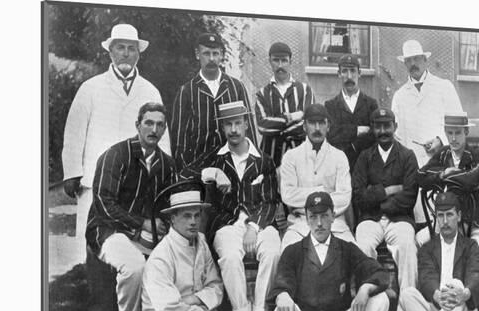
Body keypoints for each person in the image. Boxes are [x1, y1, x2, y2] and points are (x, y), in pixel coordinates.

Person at [141, 181, 283, 311]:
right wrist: (202, 309)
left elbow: (216, 287)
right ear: (172, 218)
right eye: (186, 216)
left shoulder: (200, 242)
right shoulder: (160, 258)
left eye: (196, 215)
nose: (193, 221)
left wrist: (194, 300)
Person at [63, 23, 168, 266]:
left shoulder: (149, 90)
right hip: (94, 180)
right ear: (110, 52)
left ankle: (128, 294)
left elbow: (163, 135)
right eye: (119, 47)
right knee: (91, 247)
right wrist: (72, 172)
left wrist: (162, 177)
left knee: (131, 246)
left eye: (131, 48)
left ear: (138, 53)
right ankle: (91, 292)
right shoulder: (90, 88)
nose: (125, 53)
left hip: (136, 182)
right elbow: (74, 132)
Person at [266, 192, 390, 311]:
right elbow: (282, 281)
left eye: (324, 215)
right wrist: (282, 295)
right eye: (313, 217)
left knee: (380, 299)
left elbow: (379, 273)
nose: (319, 223)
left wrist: (365, 289)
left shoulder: (346, 248)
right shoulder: (294, 251)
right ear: (306, 218)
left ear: (334, 216)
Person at [86, 103, 176, 311]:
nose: (154, 129)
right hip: (107, 230)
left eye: (159, 124)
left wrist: (162, 227)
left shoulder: (166, 163)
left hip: (145, 234)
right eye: (148, 123)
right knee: (135, 265)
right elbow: (104, 204)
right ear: (138, 125)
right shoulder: (116, 155)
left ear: (164, 128)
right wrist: (142, 223)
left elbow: (167, 204)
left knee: (171, 261)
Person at [189, 101, 281, 311]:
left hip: (261, 223)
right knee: (230, 257)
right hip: (226, 224)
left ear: (246, 124)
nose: (233, 130)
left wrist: (254, 227)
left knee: (272, 251)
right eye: (228, 124)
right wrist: (212, 172)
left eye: (238, 123)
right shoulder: (215, 158)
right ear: (222, 128)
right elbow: (184, 176)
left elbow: (270, 201)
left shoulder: (263, 161)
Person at [416, 112, 479, 311]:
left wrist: (444, 176)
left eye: (458, 133)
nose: (453, 138)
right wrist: (442, 174)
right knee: (421, 240)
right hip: (452, 220)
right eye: (449, 133)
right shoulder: (444, 155)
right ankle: (433, 290)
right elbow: (420, 177)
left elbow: (471, 180)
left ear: (466, 132)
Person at [352, 107, 419, 311]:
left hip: (399, 219)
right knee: (361, 246)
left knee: (406, 246)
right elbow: (359, 196)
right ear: (373, 129)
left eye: (386, 126)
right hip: (370, 220)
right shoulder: (365, 157)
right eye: (378, 126)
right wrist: (389, 190)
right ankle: (370, 307)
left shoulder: (407, 156)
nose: (383, 131)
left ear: (395, 127)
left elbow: (409, 195)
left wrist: (377, 199)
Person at [391, 39, 463, 223]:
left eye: (417, 58)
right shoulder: (399, 96)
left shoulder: (444, 87)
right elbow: (396, 136)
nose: (413, 64)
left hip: (442, 162)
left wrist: (441, 140)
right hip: (414, 168)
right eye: (409, 60)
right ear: (405, 64)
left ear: (425, 60)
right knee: (420, 222)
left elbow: (458, 124)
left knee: (444, 217)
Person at [171, 33, 257, 175]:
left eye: (215, 53)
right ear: (197, 54)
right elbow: (179, 141)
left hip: (233, 169)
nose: (211, 59)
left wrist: (251, 168)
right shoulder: (187, 91)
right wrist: (186, 174)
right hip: (199, 172)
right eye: (206, 53)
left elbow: (249, 132)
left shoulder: (236, 87)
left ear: (221, 55)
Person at [280, 103, 354, 251]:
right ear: (304, 126)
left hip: (335, 223)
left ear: (328, 126)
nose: (317, 128)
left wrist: (306, 197)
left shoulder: (339, 157)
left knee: (355, 255)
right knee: (287, 254)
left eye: (321, 123)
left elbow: (344, 197)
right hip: (301, 223)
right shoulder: (291, 157)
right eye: (312, 123)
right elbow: (288, 195)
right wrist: (322, 192)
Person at [255, 42, 315, 167]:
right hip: (271, 158)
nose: (280, 65)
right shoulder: (262, 94)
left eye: (284, 60)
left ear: (290, 62)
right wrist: (291, 117)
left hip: (301, 158)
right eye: (276, 60)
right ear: (270, 61)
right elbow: (263, 127)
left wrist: (277, 127)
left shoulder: (305, 90)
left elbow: (309, 123)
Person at [325, 54, 378, 172]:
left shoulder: (371, 104)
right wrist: (356, 130)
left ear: (359, 73)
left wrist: (352, 144)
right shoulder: (330, 105)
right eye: (344, 71)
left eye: (353, 71)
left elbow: (374, 134)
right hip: (339, 168)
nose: (349, 76)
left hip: (366, 168)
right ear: (338, 74)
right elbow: (331, 134)